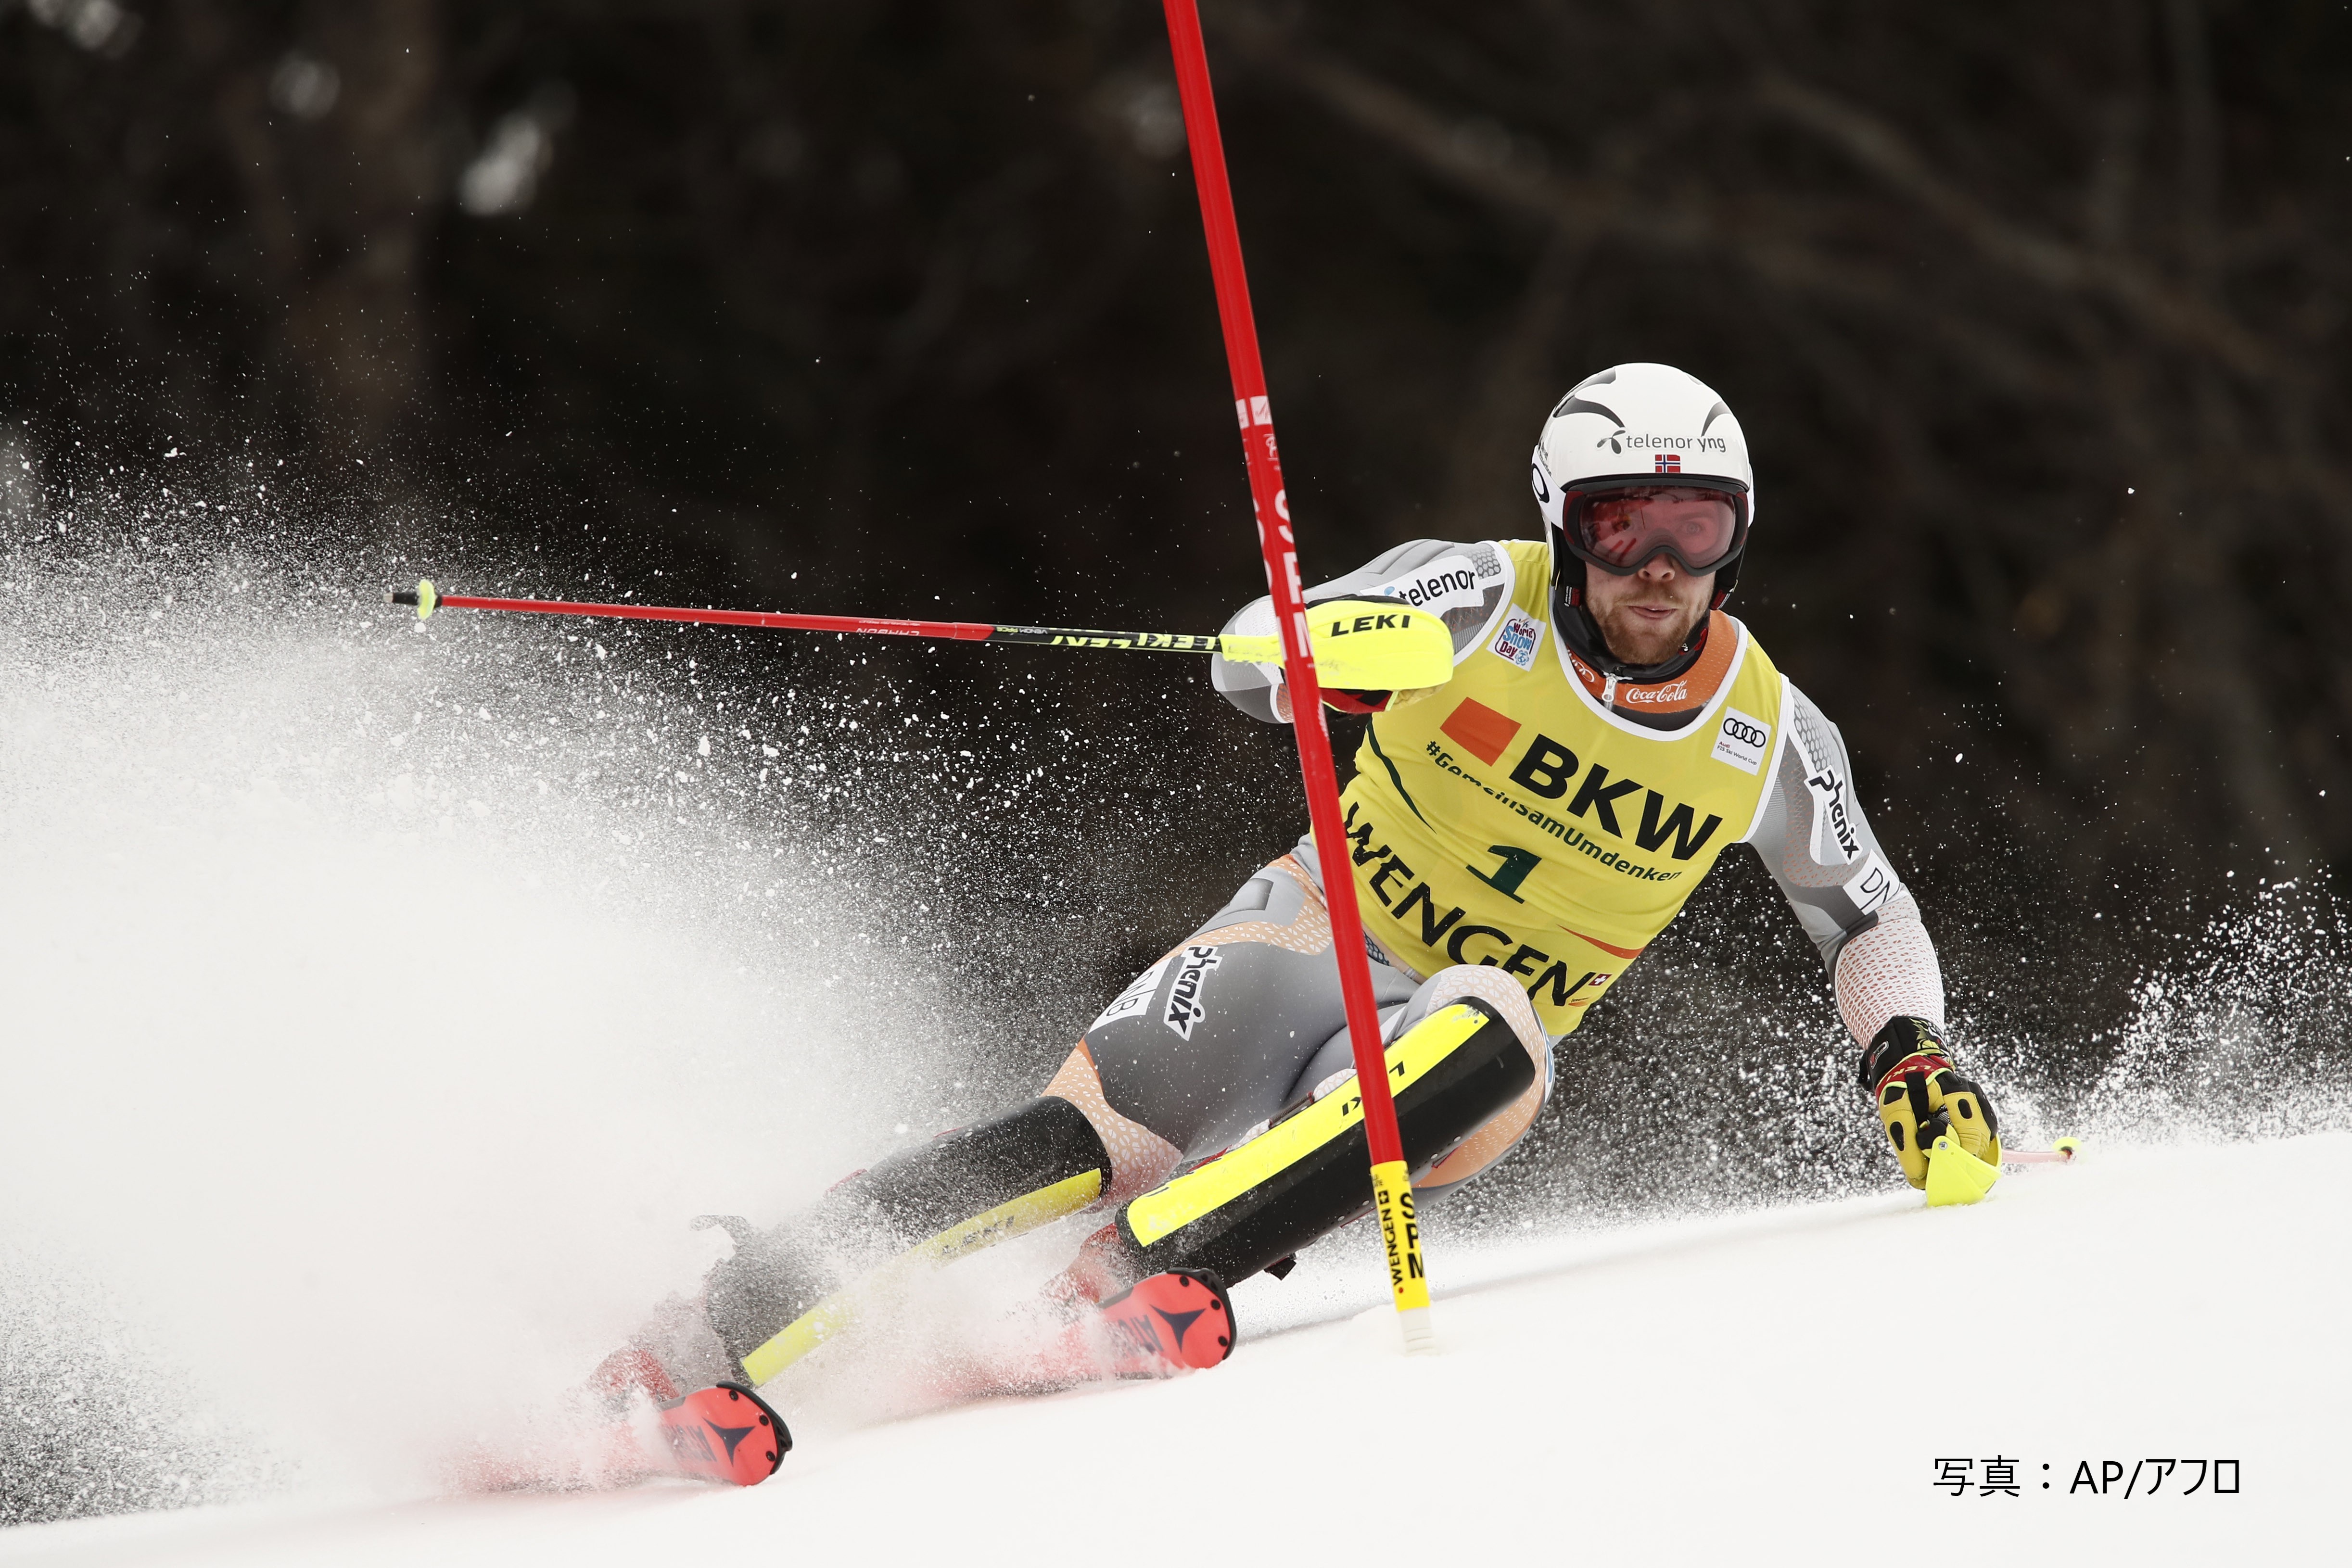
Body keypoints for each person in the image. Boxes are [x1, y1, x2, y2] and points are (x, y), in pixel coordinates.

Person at [602, 361, 2004, 1412]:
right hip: (1305, 934)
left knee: (1496, 1015)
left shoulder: (1769, 728)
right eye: (1619, 523)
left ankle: (1159, 1263)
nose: (1655, 567)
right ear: (1562, 524)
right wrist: (1317, 654)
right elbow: (1250, 652)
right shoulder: (1480, 591)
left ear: (1736, 537)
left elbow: (1865, 911)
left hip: (1443, 1060)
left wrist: (1907, 1053)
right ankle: (711, 1325)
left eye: (1693, 530)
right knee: (1078, 1144)